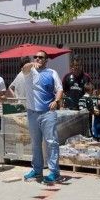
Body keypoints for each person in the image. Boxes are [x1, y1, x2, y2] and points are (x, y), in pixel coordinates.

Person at [22, 50, 63, 184]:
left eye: (41, 57)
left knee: (51, 142)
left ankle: (54, 172)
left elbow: (60, 89)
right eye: (36, 57)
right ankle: (37, 170)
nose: (38, 59)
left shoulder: (52, 72)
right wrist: (31, 64)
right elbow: (24, 68)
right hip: (32, 112)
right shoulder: (29, 71)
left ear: (46, 60)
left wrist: (56, 101)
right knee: (35, 143)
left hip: (48, 112)